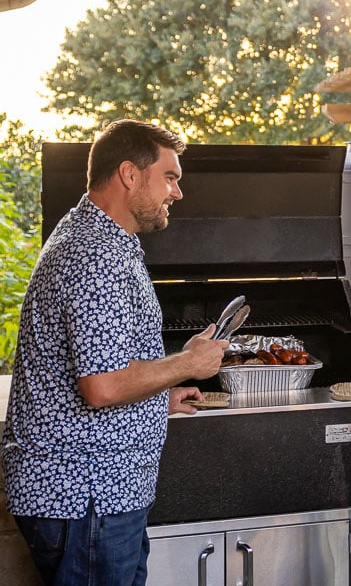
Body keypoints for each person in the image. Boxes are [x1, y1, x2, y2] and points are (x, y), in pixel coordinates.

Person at [1, 120, 228, 586]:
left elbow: (94, 369)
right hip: (85, 497)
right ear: (129, 174)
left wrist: (157, 398)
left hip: (96, 495)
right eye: (170, 177)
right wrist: (188, 363)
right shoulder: (94, 256)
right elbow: (101, 387)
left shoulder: (103, 240)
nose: (177, 193)